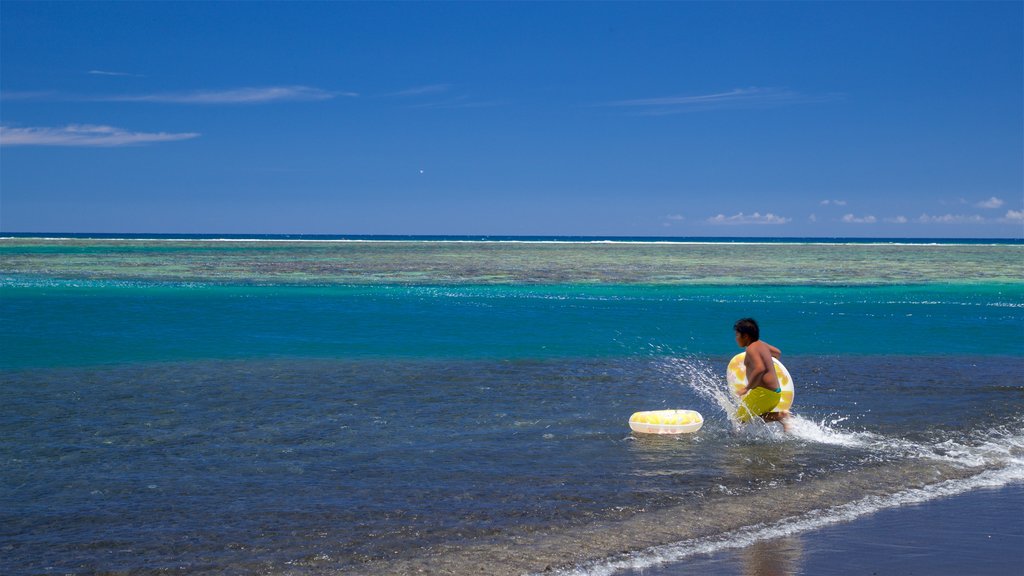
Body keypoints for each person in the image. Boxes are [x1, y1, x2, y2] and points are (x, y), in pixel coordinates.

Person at [733, 318, 791, 432]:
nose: (736, 338)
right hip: (775, 394)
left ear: (745, 336)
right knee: (755, 417)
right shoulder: (761, 345)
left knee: (738, 419)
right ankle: (781, 416)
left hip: (762, 393)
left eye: (737, 335)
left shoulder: (751, 349)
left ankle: (734, 445)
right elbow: (777, 353)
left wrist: (746, 388)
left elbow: (760, 368)